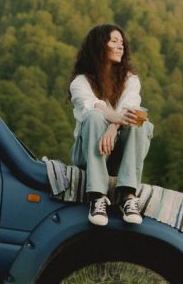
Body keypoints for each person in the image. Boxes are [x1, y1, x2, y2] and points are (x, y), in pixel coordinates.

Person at [68, 23, 153, 226]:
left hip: (117, 155)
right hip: (88, 153)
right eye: (114, 41)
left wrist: (113, 127)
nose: (120, 46)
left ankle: (128, 196)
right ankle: (96, 197)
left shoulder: (130, 80)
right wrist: (112, 120)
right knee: (95, 116)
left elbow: (130, 108)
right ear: (99, 46)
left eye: (122, 43)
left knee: (141, 119)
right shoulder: (80, 82)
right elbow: (93, 106)